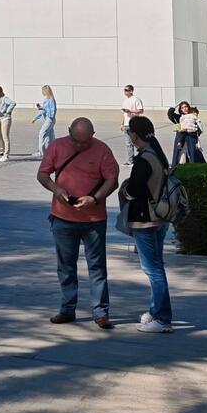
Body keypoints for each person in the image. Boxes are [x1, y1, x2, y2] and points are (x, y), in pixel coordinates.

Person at [37, 117, 119, 329]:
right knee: (65, 266)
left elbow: (112, 179)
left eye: (85, 142)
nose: (81, 146)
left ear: (93, 135)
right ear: (69, 132)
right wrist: (57, 190)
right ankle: (67, 308)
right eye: (76, 141)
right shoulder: (57, 146)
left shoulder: (102, 149)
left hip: (94, 219)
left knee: (97, 267)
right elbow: (43, 174)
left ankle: (100, 312)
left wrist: (95, 198)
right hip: (63, 218)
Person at [121, 115, 174, 332]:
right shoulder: (157, 154)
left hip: (145, 219)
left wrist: (124, 189)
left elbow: (134, 190)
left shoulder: (144, 159)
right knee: (156, 266)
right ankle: (155, 312)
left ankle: (162, 318)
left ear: (134, 135)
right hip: (160, 218)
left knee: (152, 269)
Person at [0, 84, 15, 162]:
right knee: (1, 137)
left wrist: (7, 111)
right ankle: (4, 153)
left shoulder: (4, 98)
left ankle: (6, 155)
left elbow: (13, 103)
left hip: (5, 119)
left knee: (5, 137)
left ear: (0, 91)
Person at [121, 85, 144, 164]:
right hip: (126, 124)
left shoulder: (136, 99)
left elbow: (141, 111)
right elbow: (123, 114)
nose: (125, 92)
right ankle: (131, 160)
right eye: (124, 90)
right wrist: (122, 124)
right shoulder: (125, 100)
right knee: (128, 143)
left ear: (131, 91)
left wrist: (130, 111)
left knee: (136, 142)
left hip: (133, 123)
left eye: (127, 90)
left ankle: (142, 158)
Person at [32, 85, 57, 157]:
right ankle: (52, 151)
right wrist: (42, 109)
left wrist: (36, 117)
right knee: (51, 136)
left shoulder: (49, 99)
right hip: (51, 120)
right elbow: (47, 110)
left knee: (42, 134)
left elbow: (51, 111)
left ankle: (42, 152)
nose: (42, 92)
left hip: (49, 120)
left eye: (42, 91)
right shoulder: (50, 99)